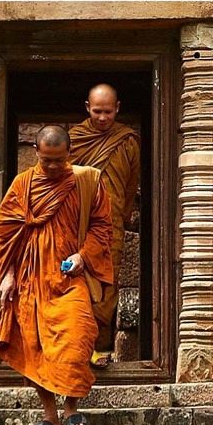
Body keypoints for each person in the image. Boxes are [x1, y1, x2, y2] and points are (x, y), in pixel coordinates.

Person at [0, 125, 113, 425]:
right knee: (36, 348)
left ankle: (71, 409)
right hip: (30, 279)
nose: (53, 166)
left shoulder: (87, 181)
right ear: (36, 153)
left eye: (58, 159)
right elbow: (7, 233)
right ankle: (49, 416)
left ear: (69, 153)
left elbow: (102, 226)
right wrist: (7, 275)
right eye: (46, 160)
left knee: (77, 339)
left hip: (70, 279)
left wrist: (84, 256)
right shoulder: (23, 184)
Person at [69, 83, 141, 364]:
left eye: (108, 112)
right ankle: (75, 349)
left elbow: (130, 184)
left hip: (112, 227)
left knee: (107, 286)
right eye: (97, 111)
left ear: (117, 108)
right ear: (87, 108)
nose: (102, 118)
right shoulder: (74, 140)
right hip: (78, 227)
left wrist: (121, 215)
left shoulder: (127, 141)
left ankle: (99, 348)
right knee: (76, 284)